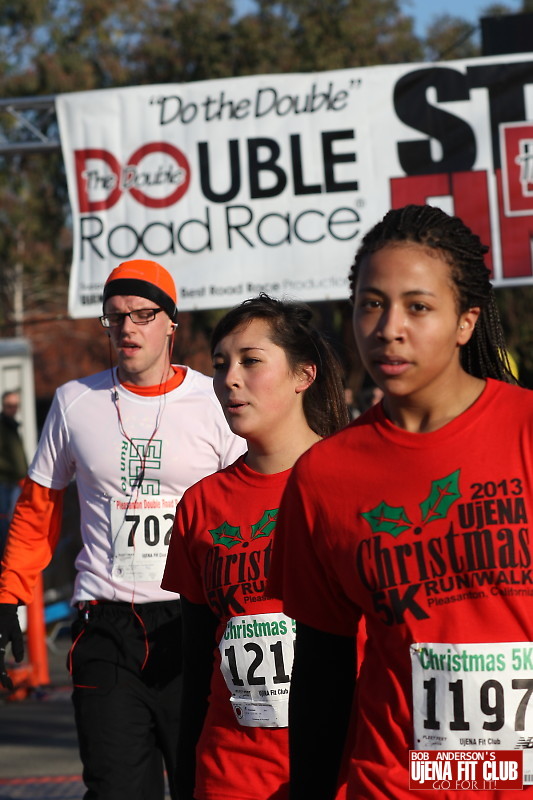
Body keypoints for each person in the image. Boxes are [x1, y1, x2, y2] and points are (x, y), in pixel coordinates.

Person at [268, 204, 532, 800]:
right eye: (371, 303)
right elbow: (323, 669)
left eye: (418, 307)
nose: (389, 328)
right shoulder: (323, 476)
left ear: (466, 321)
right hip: (395, 785)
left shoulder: (526, 432)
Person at [0, 259, 245, 800]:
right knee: (116, 789)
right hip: (106, 626)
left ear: (171, 322)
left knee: (203, 784)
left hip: (193, 621)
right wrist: (8, 595)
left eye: (142, 314)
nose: (127, 328)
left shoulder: (214, 400)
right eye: (115, 317)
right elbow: (38, 506)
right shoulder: (74, 402)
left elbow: (251, 502)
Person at [161, 294, 350, 800]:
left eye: (251, 361)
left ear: (303, 375)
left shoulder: (356, 486)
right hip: (230, 774)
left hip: (342, 770)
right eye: (220, 365)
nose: (230, 379)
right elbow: (197, 668)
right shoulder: (201, 504)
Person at [0, 390, 28, 557]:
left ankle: (12, 552)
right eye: (9, 405)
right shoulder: (3, 426)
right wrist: (14, 470)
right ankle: (5, 554)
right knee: (4, 520)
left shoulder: (13, 426)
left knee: (16, 519)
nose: (13, 409)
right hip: (5, 482)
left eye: (15, 405)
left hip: (16, 482)